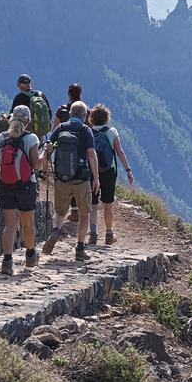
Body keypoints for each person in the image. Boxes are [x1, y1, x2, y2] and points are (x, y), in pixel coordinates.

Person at [42, 101, 99, 262]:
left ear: (70, 114)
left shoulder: (60, 128)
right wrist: (96, 178)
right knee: (84, 214)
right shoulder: (85, 130)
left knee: (60, 212)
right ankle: (80, 249)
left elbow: (48, 148)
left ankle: (55, 230)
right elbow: (92, 154)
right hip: (81, 179)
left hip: (62, 178)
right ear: (84, 115)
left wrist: (44, 171)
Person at [0, 106, 45, 274]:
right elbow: (36, 164)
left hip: (5, 184)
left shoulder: (1, 137)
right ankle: (30, 256)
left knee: (9, 225)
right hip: (26, 185)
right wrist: (46, 152)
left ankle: (7, 262)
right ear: (28, 121)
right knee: (27, 223)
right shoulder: (30, 138)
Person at [88, 104, 135, 245]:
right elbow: (120, 152)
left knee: (93, 205)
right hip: (109, 171)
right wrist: (128, 170)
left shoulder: (88, 132)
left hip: (92, 170)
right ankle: (109, 234)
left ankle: (93, 234)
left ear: (92, 118)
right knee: (108, 205)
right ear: (107, 118)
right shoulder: (112, 131)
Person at [53, 83, 85, 220]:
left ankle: (62, 211)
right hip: (79, 149)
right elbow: (87, 128)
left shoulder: (61, 110)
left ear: (68, 94)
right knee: (77, 175)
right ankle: (76, 209)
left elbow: (55, 128)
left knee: (64, 174)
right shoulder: (85, 110)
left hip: (63, 149)